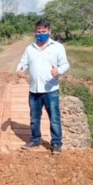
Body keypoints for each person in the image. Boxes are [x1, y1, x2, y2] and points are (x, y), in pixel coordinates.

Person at [16, 19, 70, 155]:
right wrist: (20, 70)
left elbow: (65, 64)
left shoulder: (57, 47)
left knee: (55, 118)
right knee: (34, 118)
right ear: (35, 32)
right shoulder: (30, 48)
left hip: (51, 90)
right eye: (38, 32)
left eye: (44, 32)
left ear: (49, 31)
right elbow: (22, 63)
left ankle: (57, 143)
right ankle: (35, 140)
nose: (41, 34)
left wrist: (58, 71)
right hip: (34, 90)